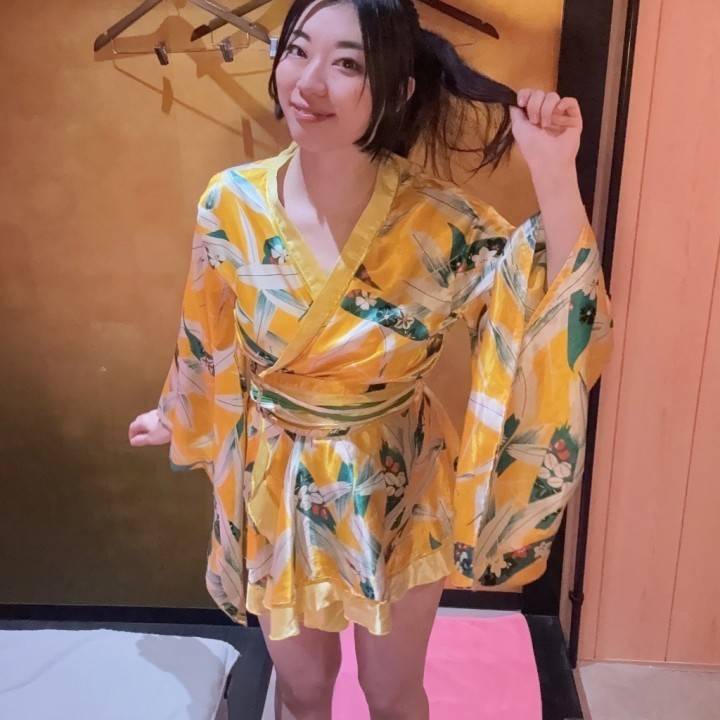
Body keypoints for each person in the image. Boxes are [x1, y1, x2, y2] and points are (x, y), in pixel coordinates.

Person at [128, 0, 613, 717]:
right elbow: (206, 331)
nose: (309, 82)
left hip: (399, 478)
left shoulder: (440, 223)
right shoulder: (229, 204)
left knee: (390, 690)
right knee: (302, 687)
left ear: (398, 88)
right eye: (298, 50)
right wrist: (178, 411)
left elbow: (552, 321)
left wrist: (554, 173)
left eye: (347, 63)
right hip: (280, 473)